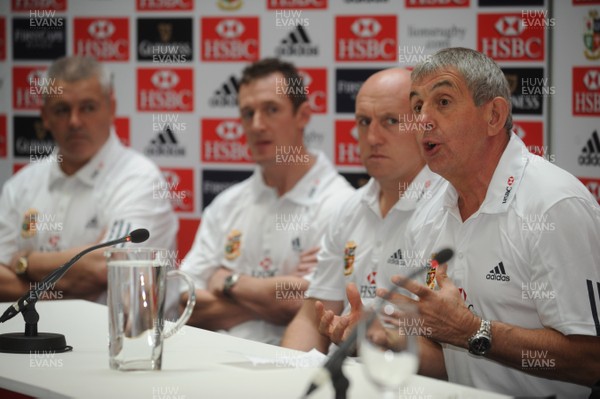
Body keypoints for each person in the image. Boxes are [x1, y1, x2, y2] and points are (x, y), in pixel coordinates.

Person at [386, 47, 600, 398]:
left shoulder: (553, 205)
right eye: (417, 106)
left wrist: (473, 331)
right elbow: (448, 357)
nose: (422, 119)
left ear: (494, 116)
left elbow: (592, 361)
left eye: (442, 101)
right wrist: (385, 341)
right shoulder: (427, 211)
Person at [179, 58, 354, 345]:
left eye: (271, 110)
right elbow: (185, 300)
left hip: (292, 376)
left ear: (303, 115)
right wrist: (273, 297)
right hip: (215, 367)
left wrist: (227, 281)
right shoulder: (227, 204)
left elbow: (310, 306)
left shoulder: (340, 204)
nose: (257, 125)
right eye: (248, 113)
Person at [281, 68, 445, 353]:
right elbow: (311, 317)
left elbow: (452, 358)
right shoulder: (349, 207)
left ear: (423, 124)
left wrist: (377, 339)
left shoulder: (448, 209)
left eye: (391, 121)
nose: (372, 137)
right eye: (364, 122)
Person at [0, 56, 178, 305]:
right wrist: (68, 286)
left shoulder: (140, 178)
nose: (75, 121)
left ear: (111, 108)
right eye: (62, 110)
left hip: (115, 342)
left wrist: (25, 261)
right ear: (45, 116)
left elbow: (105, 269)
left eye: (88, 107)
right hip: (28, 339)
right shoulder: (20, 186)